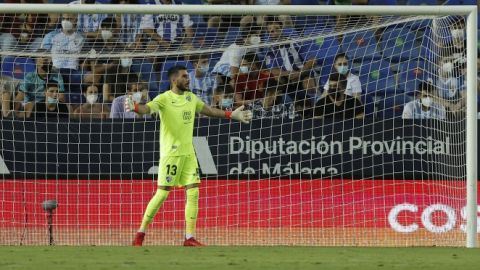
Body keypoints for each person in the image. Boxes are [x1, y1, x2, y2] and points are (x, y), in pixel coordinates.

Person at [128, 65, 252, 246]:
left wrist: (230, 114)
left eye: (188, 76)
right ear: (174, 79)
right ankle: (141, 233)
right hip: (171, 154)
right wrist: (136, 108)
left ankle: (189, 237)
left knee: (193, 192)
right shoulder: (164, 98)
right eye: (184, 76)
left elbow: (208, 111)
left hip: (189, 154)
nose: (188, 79)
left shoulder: (191, 97)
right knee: (162, 194)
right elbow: (147, 109)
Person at [16, 52, 65, 119]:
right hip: (31, 103)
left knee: (68, 107)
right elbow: (20, 96)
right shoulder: (30, 77)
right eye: (45, 59)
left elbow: (61, 97)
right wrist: (14, 112)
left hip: (48, 103)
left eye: (49, 59)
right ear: (37, 62)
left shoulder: (57, 75)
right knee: (31, 106)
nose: (48, 61)